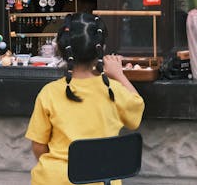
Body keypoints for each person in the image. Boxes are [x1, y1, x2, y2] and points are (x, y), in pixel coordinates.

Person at [25, 12, 145, 185]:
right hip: (102, 180)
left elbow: (38, 146)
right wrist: (118, 74)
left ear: (60, 48)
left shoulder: (49, 93)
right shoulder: (113, 90)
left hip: (55, 179)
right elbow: (136, 111)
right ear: (101, 49)